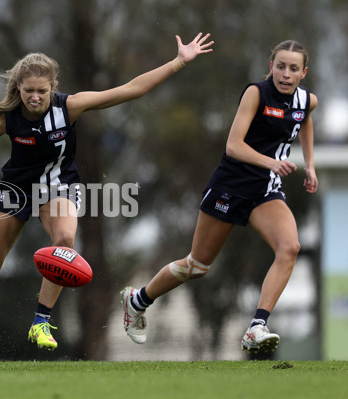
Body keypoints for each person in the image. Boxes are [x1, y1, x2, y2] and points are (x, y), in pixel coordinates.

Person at [0, 32, 214, 369]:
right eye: (28, 91)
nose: (35, 97)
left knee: (64, 243)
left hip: (59, 187)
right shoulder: (8, 119)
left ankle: (40, 321)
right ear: (18, 88)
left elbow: (130, 89)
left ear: (54, 87)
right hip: (16, 191)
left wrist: (179, 61)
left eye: (42, 91)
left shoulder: (70, 107)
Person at [120, 40, 318, 355]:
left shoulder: (307, 100)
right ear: (271, 67)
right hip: (231, 184)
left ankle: (256, 327)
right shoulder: (256, 93)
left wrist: (309, 165)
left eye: (293, 68)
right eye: (280, 66)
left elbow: (304, 120)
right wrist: (272, 162)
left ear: (303, 72)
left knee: (289, 247)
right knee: (197, 265)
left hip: (265, 189)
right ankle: (138, 300)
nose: (286, 73)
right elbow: (233, 146)